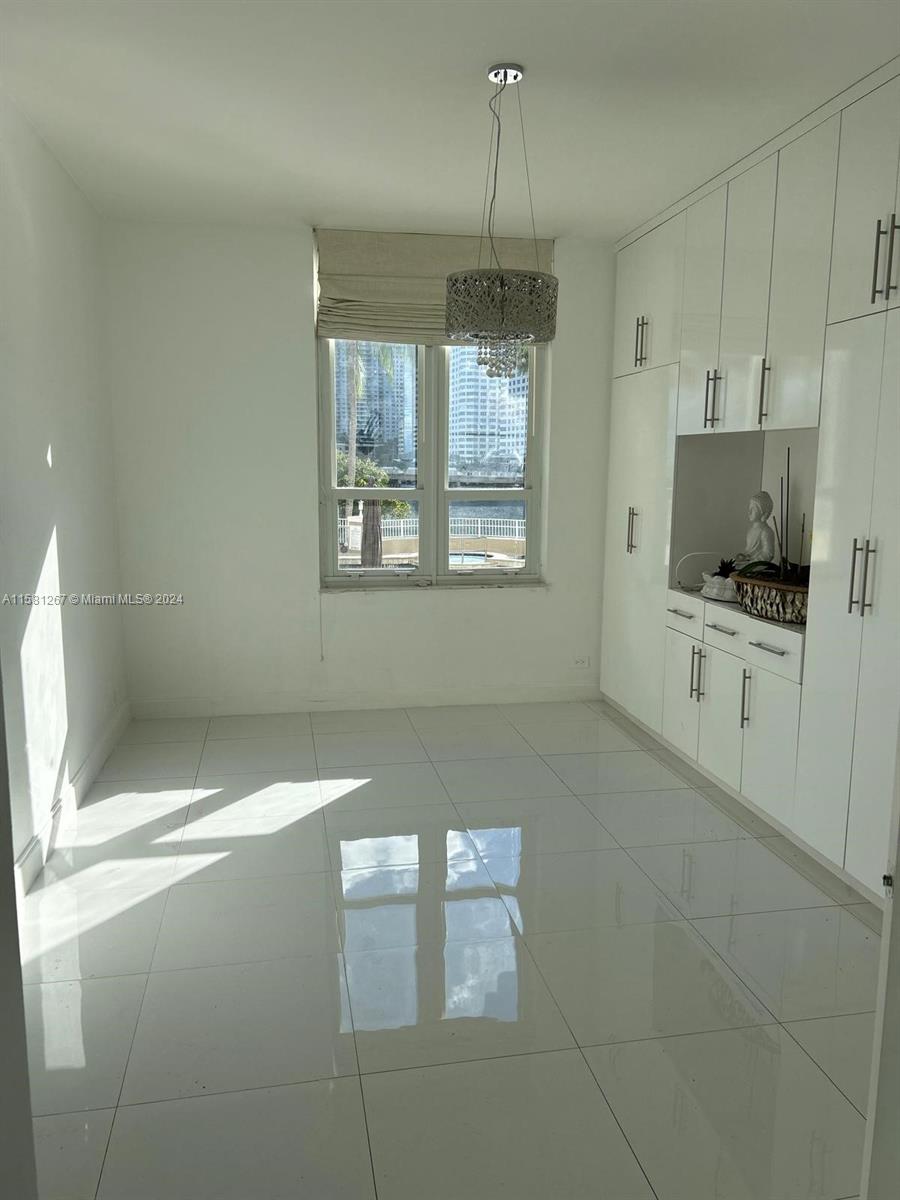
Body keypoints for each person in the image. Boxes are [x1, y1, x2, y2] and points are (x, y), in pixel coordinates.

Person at [734, 490, 776, 565]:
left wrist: (752, 563)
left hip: (757, 565)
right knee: (731, 564)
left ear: (763, 512)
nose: (749, 512)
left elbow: (768, 554)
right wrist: (742, 556)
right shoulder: (751, 530)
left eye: (753, 509)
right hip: (748, 561)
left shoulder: (766, 531)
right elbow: (748, 551)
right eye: (749, 508)